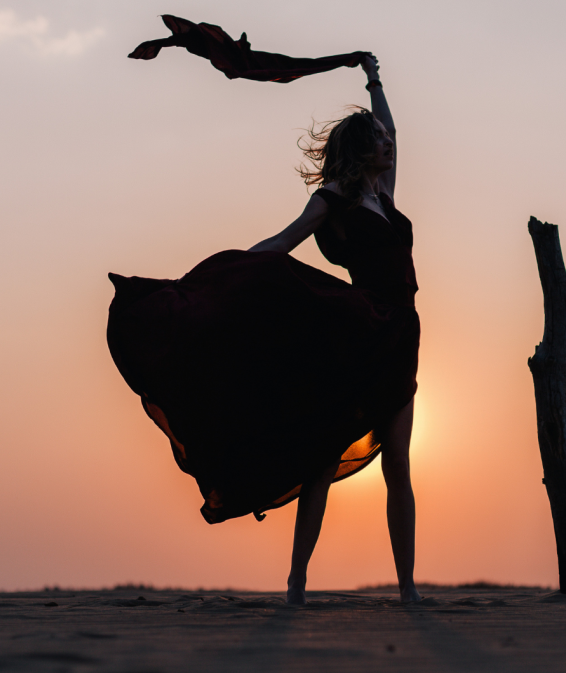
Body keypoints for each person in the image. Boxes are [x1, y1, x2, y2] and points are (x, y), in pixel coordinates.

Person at [106, 54, 422, 605]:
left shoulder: (386, 196)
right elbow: (284, 242)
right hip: (357, 333)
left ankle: (408, 588)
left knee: (398, 462)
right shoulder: (336, 202)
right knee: (322, 461)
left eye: (384, 137)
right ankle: (298, 580)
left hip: (402, 334)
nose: (387, 143)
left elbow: (394, 128)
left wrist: (373, 78)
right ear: (359, 149)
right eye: (375, 138)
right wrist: (225, 274)